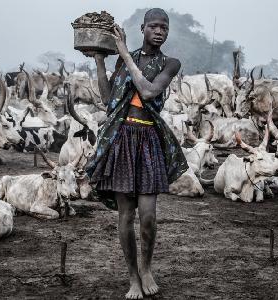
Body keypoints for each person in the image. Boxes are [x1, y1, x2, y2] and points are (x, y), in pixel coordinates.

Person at [85, 8, 188, 299]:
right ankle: (133, 277)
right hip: (122, 139)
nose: (159, 31)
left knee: (148, 216)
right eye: (154, 26)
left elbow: (149, 92)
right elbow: (108, 100)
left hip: (149, 140)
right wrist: (99, 61)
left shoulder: (170, 63)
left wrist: (124, 54)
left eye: (164, 27)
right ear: (143, 28)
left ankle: (146, 268)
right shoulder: (123, 58)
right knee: (126, 214)